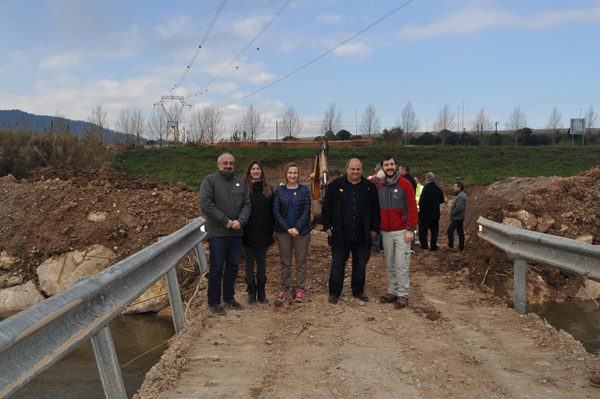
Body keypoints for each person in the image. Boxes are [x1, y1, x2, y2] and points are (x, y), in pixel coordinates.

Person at [322, 158, 380, 304]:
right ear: (347, 169)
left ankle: (358, 290)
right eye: (353, 169)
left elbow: (375, 210)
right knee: (338, 264)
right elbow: (326, 208)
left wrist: (374, 228)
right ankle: (335, 292)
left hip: (362, 234)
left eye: (358, 169)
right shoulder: (335, 186)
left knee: (360, 265)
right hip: (340, 234)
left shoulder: (369, 187)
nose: (355, 172)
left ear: (362, 170)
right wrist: (327, 225)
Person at [200, 152, 251, 315]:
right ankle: (214, 302)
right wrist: (226, 221)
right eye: (225, 163)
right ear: (218, 164)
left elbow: (247, 205)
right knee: (216, 268)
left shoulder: (240, 183)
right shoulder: (210, 181)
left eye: (231, 163)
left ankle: (229, 297)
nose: (228, 166)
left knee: (233, 266)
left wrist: (240, 221)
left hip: (236, 233)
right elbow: (206, 204)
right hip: (218, 232)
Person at [376, 155, 418, 309]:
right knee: (390, 263)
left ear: (396, 166)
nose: (389, 167)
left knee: (401, 263)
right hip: (386, 232)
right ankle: (392, 291)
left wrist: (410, 229)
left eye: (392, 164)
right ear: (382, 168)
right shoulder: (379, 188)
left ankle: (403, 294)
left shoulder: (405, 184)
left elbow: (412, 208)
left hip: (402, 232)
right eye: (386, 165)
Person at [273, 162, 312, 304]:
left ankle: (300, 289)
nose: (292, 175)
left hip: (302, 232)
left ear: (298, 174)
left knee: (301, 261)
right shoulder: (280, 191)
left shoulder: (304, 190)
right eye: (290, 173)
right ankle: (285, 288)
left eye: (295, 173)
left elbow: (307, 210)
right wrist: (288, 228)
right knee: (285, 261)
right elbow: (276, 211)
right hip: (284, 232)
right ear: (286, 174)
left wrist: (297, 228)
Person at [241, 160, 274, 304]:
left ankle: (262, 291)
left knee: (261, 262)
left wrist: (273, 228)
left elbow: (273, 211)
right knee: (249, 262)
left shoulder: (269, 190)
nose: (255, 171)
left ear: (262, 171)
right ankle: (251, 291)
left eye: (258, 169)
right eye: (253, 169)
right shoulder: (244, 189)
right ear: (249, 172)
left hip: (264, 231)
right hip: (248, 232)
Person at [418, 172, 445, 251]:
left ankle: (424, 246)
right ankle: (433, 246)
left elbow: (421, 202)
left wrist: (421, 211)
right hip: (435, 214)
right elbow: (442, 200)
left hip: (425, 214)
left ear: (427, 179)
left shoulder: (425, 189)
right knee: (434, 231)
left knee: (423, 230)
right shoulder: (438, 188)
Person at [447, 182, 467, 251]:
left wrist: (452, 213)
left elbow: (459, 207)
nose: (454, 188)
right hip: (459, 217)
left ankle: (451, 246)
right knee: (460, 232)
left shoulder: (461, 196)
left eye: (455, 187)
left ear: (459, 188)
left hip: (457, 217)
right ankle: (461, 247)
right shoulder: (461, 195)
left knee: (450, 230)